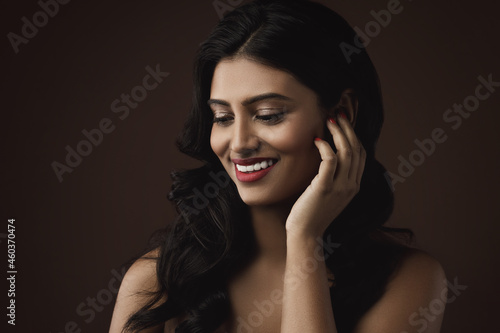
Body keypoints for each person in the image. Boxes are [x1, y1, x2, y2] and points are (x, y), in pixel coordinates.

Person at [109, 0, 447, 332]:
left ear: (341, 111)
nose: (239, 143)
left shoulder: (409, 280)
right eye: (223, 118)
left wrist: (304, 238)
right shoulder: (153, 283)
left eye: (268, 115)